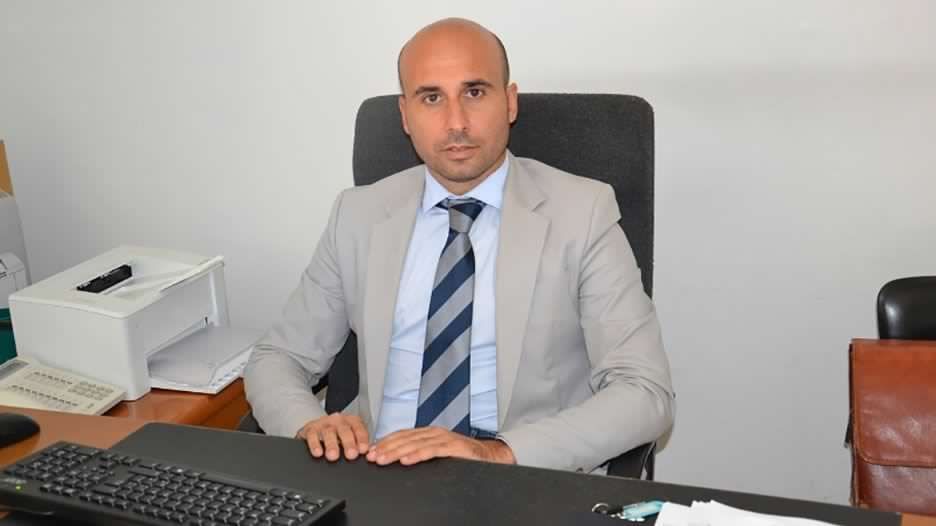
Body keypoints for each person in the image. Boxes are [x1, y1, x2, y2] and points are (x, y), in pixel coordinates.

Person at [244, 17, 674, 473]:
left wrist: (499, 452)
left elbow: (644, 392)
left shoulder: (582, 214)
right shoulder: (358, 215)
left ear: (509, 102)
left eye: (474, 92)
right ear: (405, 115)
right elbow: (278, 358)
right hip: (377, 471)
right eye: (432, 98)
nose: (456, 123)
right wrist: (308, 425)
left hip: (520, 475)